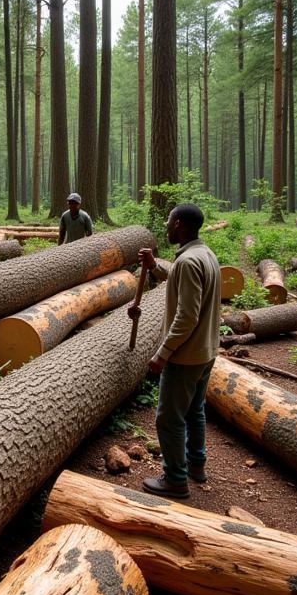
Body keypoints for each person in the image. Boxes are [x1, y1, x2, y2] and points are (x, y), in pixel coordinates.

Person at [130, 202, 221, 499]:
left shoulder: (187, 262)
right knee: (195, 411)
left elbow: (187, 315)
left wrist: (162, 353)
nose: (167, 226)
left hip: (185, 356)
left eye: (169, 220)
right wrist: (155, 266)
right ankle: (196, 466)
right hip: (205, 352)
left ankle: (175, 480)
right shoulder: (205, 255)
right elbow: (180, 285)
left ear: (179, 223)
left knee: (168, 418)